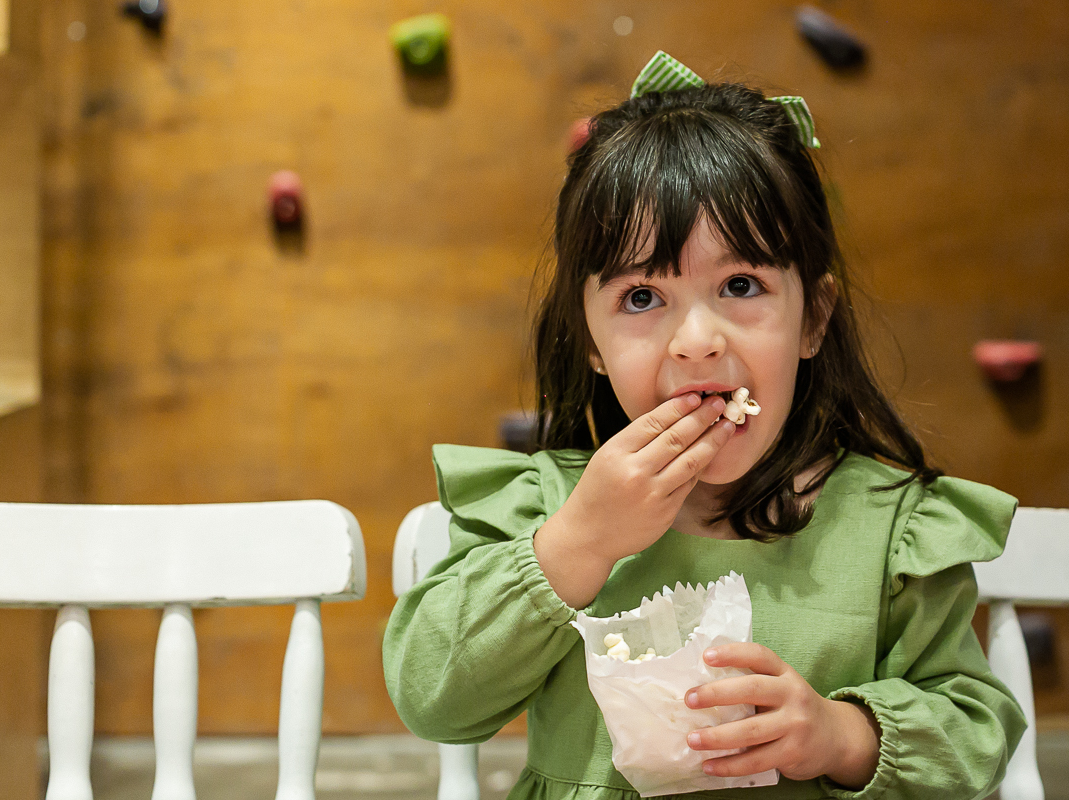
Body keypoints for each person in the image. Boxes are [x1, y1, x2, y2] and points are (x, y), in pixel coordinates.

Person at [384, 51, 1025, 800]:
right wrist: (578, 542)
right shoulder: (543, 508)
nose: (696, 340)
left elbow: (975, 736)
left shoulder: (892, 532)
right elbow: (433, 697)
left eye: (741, 285)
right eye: (641, 298)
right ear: (588, 340)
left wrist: (840, 734)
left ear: (812, 319)